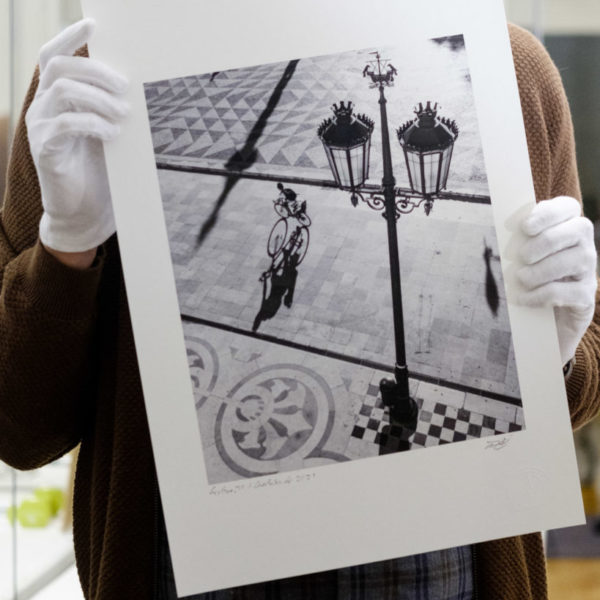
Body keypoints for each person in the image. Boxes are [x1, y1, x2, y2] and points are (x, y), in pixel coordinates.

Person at [1, 17, 599, 600]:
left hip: (438, 573)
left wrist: (551, 360)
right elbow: (19, 430)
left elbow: (582, 374)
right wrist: (66, 244)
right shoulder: (89, 80)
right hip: (182, 570)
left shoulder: (508, 70)